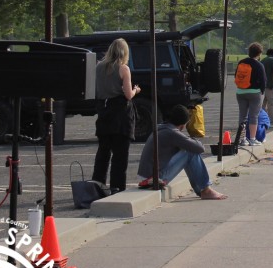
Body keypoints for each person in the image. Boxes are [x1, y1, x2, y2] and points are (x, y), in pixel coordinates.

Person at [137, 105, 227, 200]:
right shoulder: (172, 133)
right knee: (190, 152)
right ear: (183, 125)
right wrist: (190, 139)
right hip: (154, 178)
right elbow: (200, 148)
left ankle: (202, 190)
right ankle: (205, 190)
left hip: (145, 176)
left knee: (187, 151)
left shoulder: (161, 128)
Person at [92, 38, 141, 194]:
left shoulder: (99, 67)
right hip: (120, 115)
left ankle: (97, 184)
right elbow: (128, 95)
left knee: (103, 153)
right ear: (125, 52)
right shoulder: (123, 68)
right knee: (120, 155)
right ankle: (117, 187)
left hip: (103, 111)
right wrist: (136, 90)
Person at [235, 43, 266, 146]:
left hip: (240, 92)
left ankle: (242, 139)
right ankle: (252, 139)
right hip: (254, 93)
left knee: (242, 116)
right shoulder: (259, 65)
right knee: (253, 116)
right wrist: (262, 92)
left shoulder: (241, 62)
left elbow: (236, 76)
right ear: (259, 53)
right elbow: (263, 81)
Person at [261, 47, 273, 127]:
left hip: (261, 85)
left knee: (262, 104)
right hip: (270, 85)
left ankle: (262, 120)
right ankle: (272, 121)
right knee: (272, 104)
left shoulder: (263, 60)